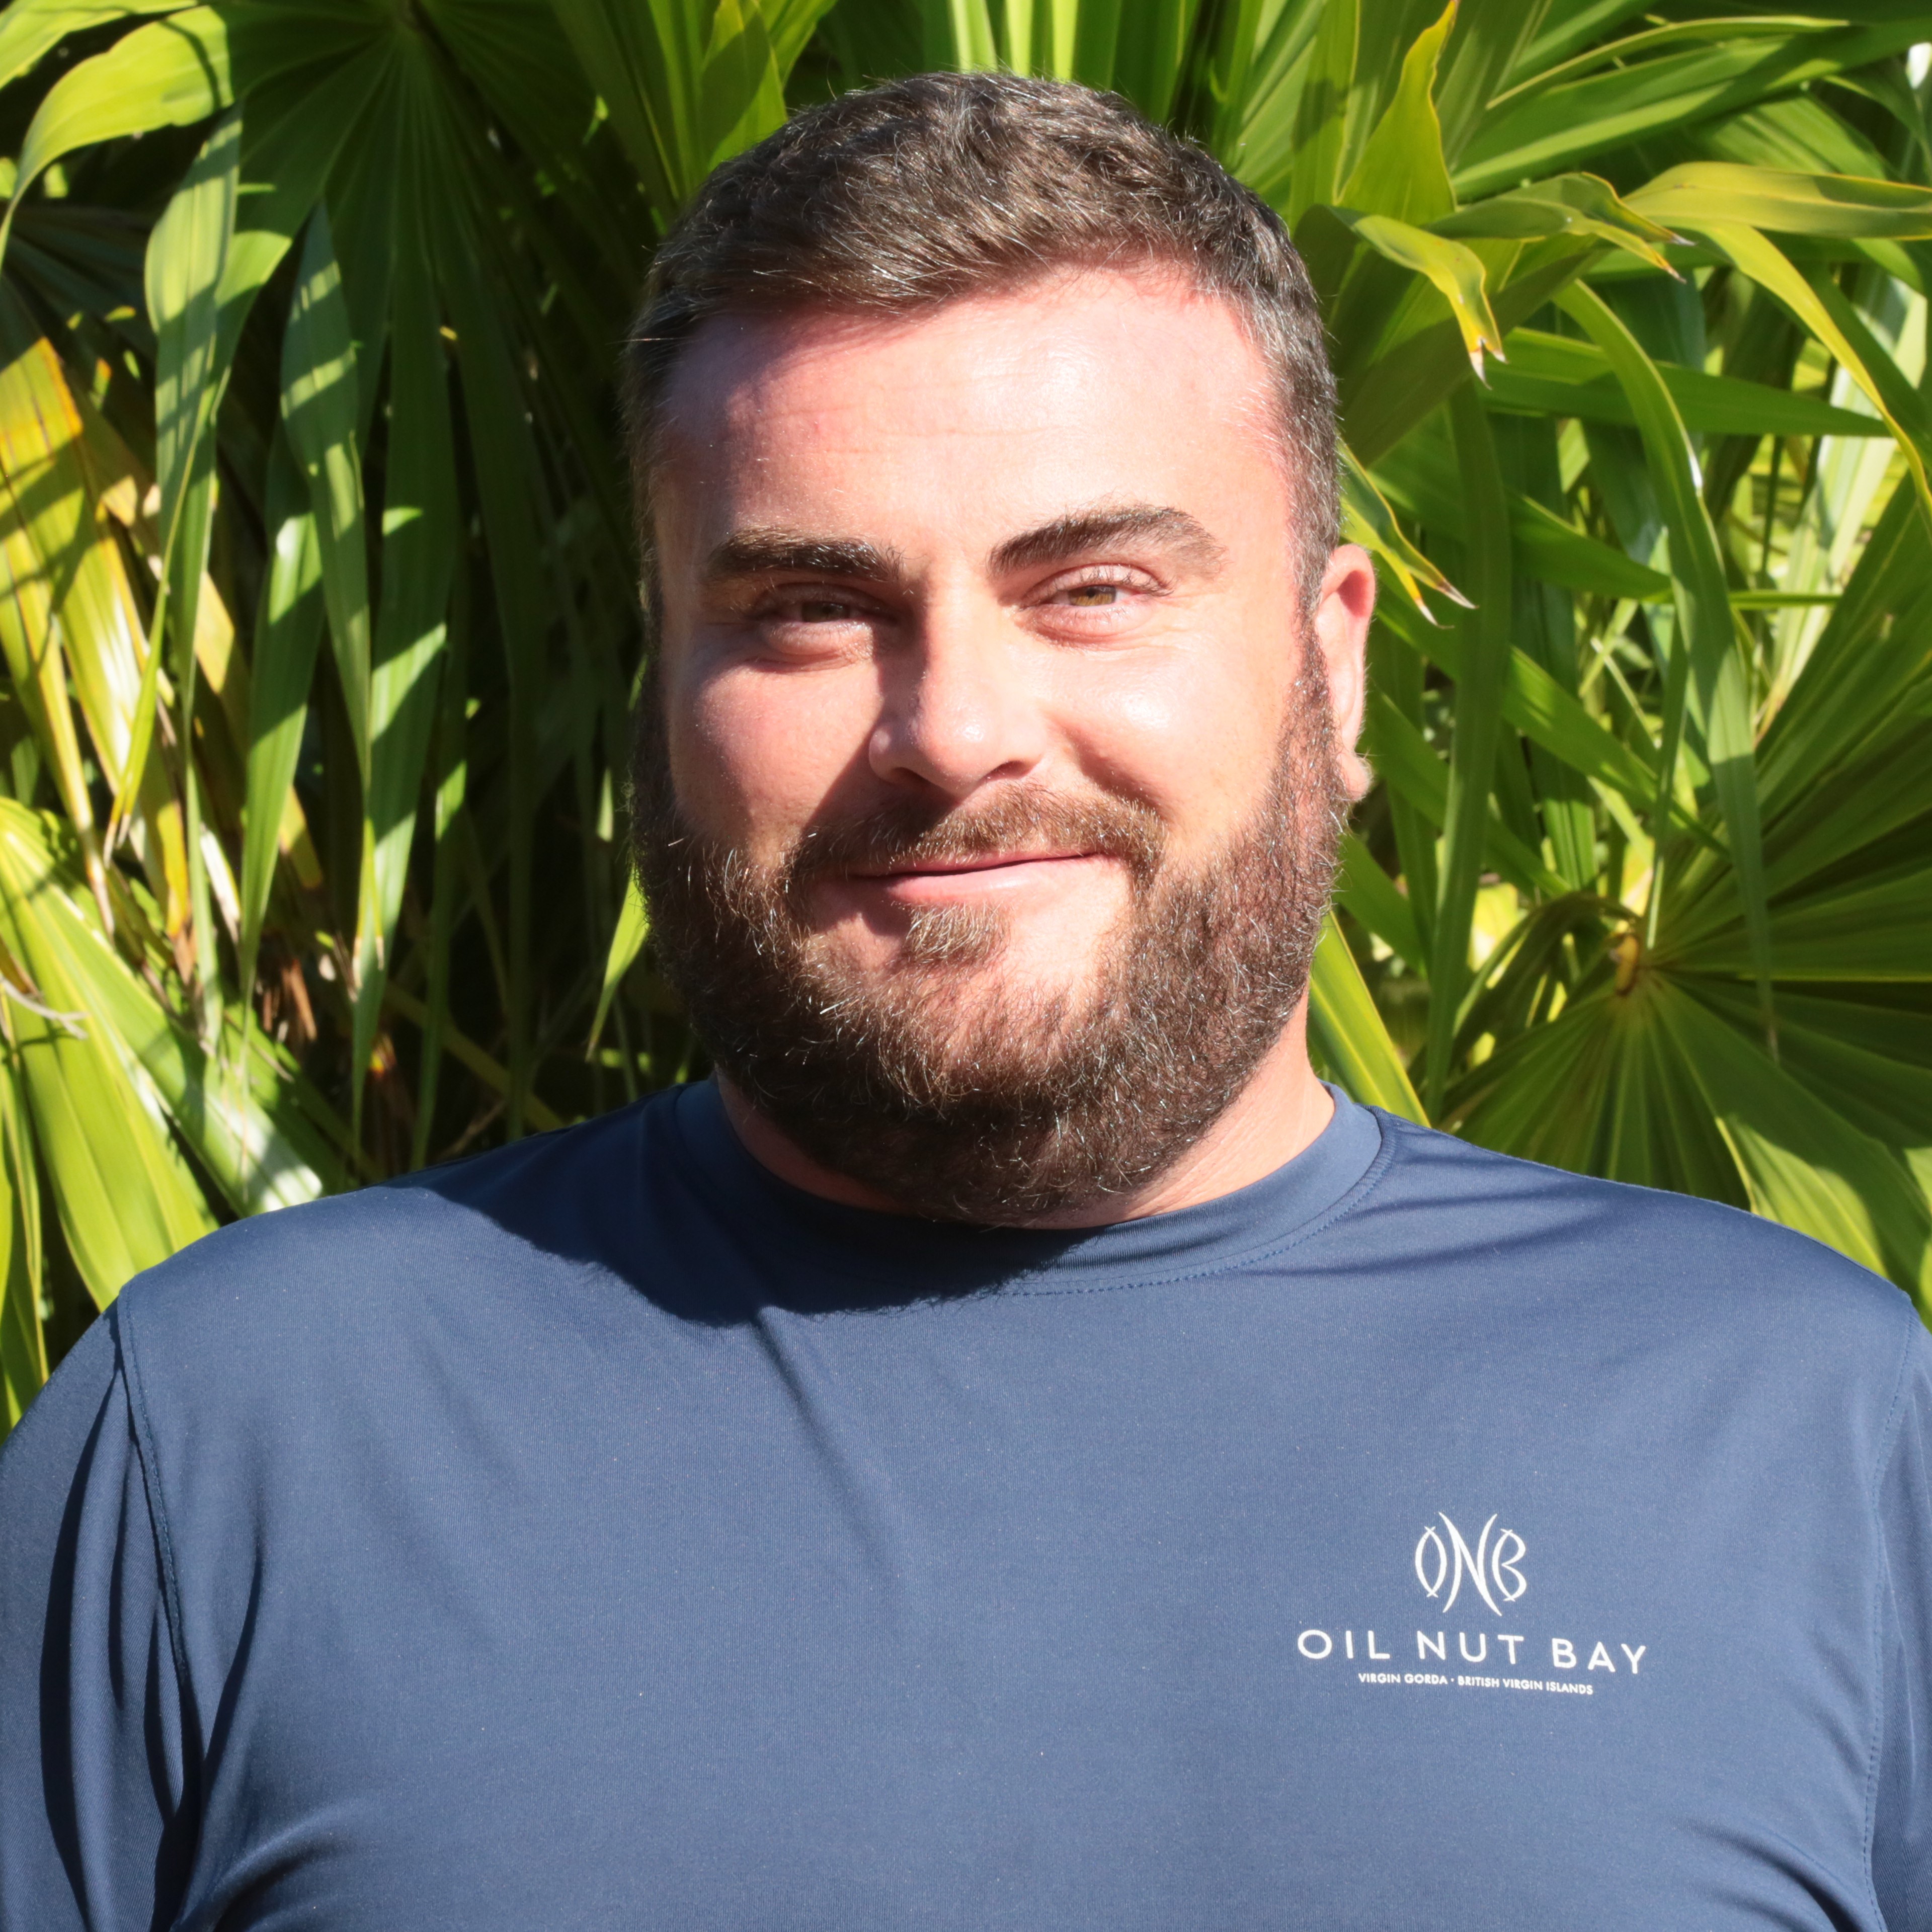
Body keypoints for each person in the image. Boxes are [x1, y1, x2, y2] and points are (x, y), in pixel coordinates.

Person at [2, 70, 1927, 1931]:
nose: (956, 734)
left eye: (1092, 586)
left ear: (1331, 669)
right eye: (811, 613)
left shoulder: (1802, 1434)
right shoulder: (245, 1444)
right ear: (657, 693)